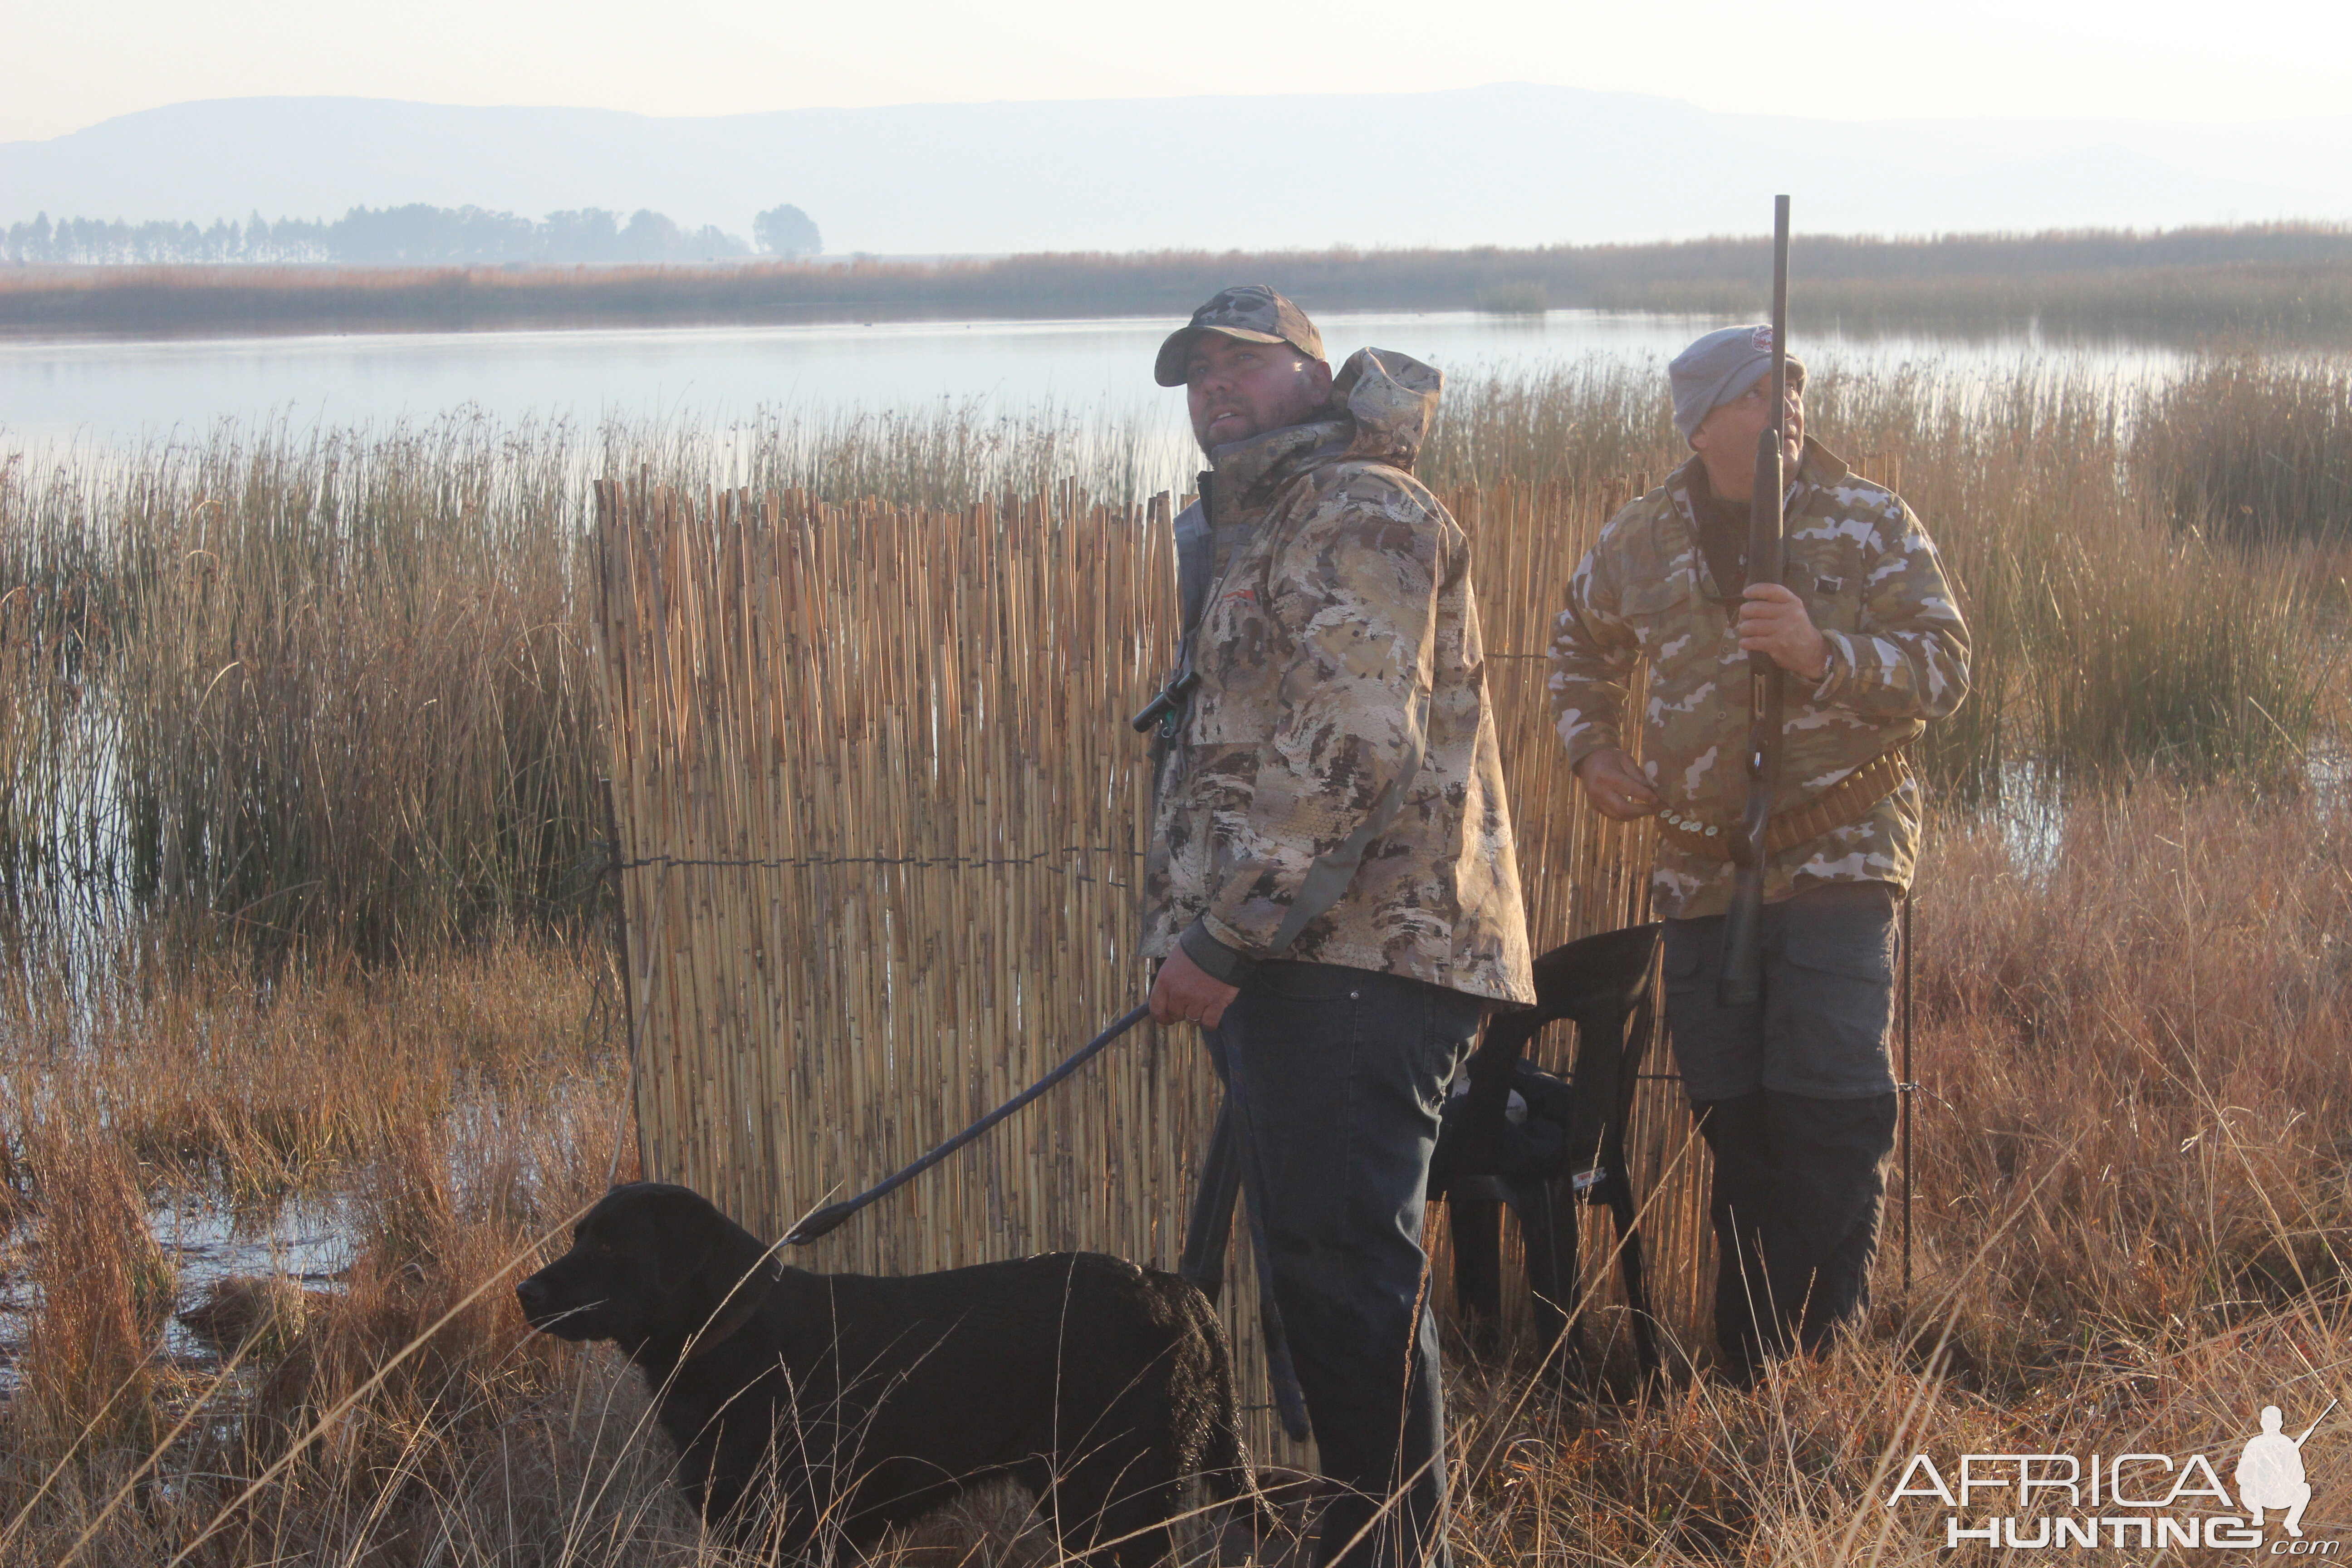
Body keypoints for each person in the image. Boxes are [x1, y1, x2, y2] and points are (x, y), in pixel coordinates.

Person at [1139, 285, 1535, 1568]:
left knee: (1349, 1271)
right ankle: (1365, 1534)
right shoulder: (1268, 521)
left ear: (1314, 372)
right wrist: (1200, 929)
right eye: (1197, 370)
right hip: (1305, 961)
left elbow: (1354, 752)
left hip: (1366, 956)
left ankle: (1386, 1547)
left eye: (1244, 363)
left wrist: (1223, 937)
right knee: (1321, 1265)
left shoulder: (1360, 507)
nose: (1215, 387)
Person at [1546, 323, 1970, 1381]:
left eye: (1794, 387)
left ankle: (1809, 1369)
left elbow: (1945, 667)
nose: (1785, 408)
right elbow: (1576, 653)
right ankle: (1753, 1360)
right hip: (1700, 875)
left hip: (1840, 854)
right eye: (1757, 395)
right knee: (1734, 1116)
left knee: (1830, 1108)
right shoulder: (1640, 538)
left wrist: (1824, 656)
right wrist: (1593, 754)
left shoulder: (1868, 520)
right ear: (1700, 424)